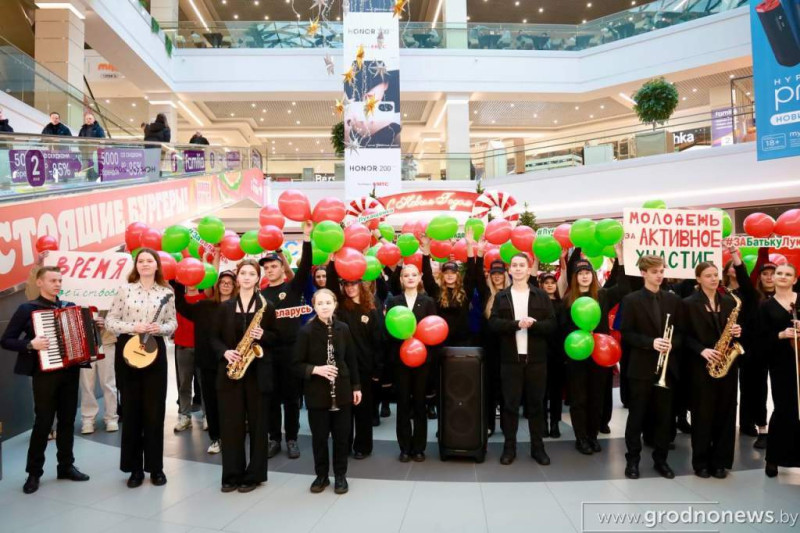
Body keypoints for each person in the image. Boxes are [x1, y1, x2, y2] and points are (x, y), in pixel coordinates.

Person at [1, 266, 93, 494]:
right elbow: (7, 340)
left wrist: (93, 327)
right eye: (52, 280)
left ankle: (66, 466)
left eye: (60, 280)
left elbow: (83, 336)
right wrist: (31, 344)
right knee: (43, 423)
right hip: (44, 374)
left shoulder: (69, 307)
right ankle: (34, 473)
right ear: (39, 283)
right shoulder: (27, 309)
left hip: (70, 371)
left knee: (67, 421)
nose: (57, 284)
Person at [106, 249, 177, 488]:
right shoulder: (124, 290)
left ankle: (156, 468)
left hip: (155, 351)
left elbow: (173, 323)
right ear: (136, 266)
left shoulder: (167, 292)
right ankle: (134, 469)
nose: (145, 264)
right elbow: (110, 321)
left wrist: (161, 329)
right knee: (132, 410)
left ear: (157, 265)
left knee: (155, 412)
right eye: (141, 261)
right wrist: (133, 326)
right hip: (128, 350)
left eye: (150, 261)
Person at [212, 259, 277, 492]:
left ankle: (254, 475)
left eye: (252, 273)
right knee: (231, 426)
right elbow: (213, 338)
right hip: (232, 372)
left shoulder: (266, 306)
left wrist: (264, 335)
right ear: (237, 278)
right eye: (243, 273)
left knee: (259, 426)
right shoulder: (224, 307)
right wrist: (225, 352)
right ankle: (231, 474)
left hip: (257, 372)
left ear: (258, 278)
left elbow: (277, 337)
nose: (247, 277)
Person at [559, 243, 628, 456]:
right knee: (579, 400)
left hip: (600, 355)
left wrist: (620, 257)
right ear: (575, 277)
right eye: (580, 273)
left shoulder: (604, 296)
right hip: (577, 356)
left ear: (593, 275)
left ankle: (592, 436)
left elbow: (624, 289)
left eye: (588, 272)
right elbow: (562, 328)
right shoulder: (568, 301)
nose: (585, 276)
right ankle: (581, 439)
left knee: (597, 398)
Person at [620, 255, 683, 480]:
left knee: (665, 418)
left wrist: (671, 344)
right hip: (641, 367)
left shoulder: (673, 300)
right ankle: (633, 461)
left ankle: (661, 460)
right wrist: (651, 343)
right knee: (637, 416)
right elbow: (626, 333)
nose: (659, 275)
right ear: (644, 273)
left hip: (667, 367)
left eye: (661, 271)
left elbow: (681, 333)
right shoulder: (631, 300)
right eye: (655, 271)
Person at [490, 253, 556, 466]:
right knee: (509, 406)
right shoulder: (502, 296)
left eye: (522, 265)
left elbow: (552, 325)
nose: (518, 269)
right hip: (510, 361)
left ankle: (538, 448)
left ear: (529, 270)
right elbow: (493, 324)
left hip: (536, 361)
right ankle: (509, 448)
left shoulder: (541, 296)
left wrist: (534, 325)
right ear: (510, 270)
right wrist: (516, 324)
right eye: (515, 265)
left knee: (536, 406)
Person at [294, 289, 362, 494]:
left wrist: (356, 387)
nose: (324, 306)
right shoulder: (306, 331)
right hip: (317, 392)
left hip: (341, 390)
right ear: (314, 306)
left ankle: (340, 476)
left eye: (328, 302)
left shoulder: (343, 328)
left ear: (334, 304)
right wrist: (317, 369)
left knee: (342, 437)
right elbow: (295, 364)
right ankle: (321, 476)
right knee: (319, 437)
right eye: (320, 303)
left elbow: (351, 359)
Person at [682, 261, 742, 479]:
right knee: (703, 414)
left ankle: (720, 461)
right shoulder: (688, 303)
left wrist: (736, 330)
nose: (714, 278)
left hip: (727, 364)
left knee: (726, 413)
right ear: (698, 279)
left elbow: (732, 331)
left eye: (716, 275)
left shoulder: (728, 301)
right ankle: (701, 462)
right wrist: (702, 351)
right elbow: (682, 336)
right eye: (708, 275)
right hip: (701, 366)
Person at [261, 221, 313, 459]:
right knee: (271, 398)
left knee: (292, 399)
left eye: (274, 266)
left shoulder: (292, 289)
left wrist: (307, 237)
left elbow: (306, 268)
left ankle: (291, 438)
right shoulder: (260, 296)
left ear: (282, 268)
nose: (270, 270)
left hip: (291, 352)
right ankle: (274, 438)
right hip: (268, 353)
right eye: (267, 267)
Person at [325, 260, 384, 459]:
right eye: (346, 284)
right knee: (344, 410)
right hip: (343, 367)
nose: (350, 288)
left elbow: (378, 341)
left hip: (365, 368)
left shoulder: (372, 309)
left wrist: (377, 370)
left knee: (364, 410)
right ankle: (346, 443)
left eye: (353, 284)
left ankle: (363, 446)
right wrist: (333, 260)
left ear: (361, 284)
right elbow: (331, 284)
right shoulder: (340, 307)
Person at [175, 270, 238, 454]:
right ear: (216, 285)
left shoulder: (241, 307)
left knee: (232, 402)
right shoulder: (204, 306)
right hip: (209, 363)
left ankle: (233, 437)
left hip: (234, 363)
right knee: (210, 401)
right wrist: (179, 281)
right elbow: (182, 306)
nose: (225, 284)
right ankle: (216, 438)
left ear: (235, 286)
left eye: (230, 282)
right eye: (222, 281)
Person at [419, 231, 480, 419]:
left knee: (460, 379)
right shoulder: (437, 293)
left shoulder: (466, 291)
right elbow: (427, 277)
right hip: (441, 344)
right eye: (447, 273)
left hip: (462, 343)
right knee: (440, 379)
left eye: (453, 272)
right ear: (443, 275)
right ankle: (437, 409)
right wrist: (426, 251)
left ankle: (459, 413)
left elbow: (472, 272)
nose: (450, 275)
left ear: (457, 275)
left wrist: (470, 246)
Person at [387, 264, 437, 462]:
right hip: (401, 360)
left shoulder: (428, 301)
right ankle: (404, 448)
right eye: (406, 275)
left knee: (419, 403)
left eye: (413, 274)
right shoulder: (394, 302)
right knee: (403, 404)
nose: (409, 278)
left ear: (420, 277)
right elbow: (389, 331)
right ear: (400, 279)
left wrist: (428, 359)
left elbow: (433, 330)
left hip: (422, 360)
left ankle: (419, 448)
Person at [723, 250, 770, 449]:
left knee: (754, 387)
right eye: (731, 266)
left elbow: (744, 276)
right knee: (729, 386)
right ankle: (730, 423)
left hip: (752, 348)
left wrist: (736, 257)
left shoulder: (750, 293)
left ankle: (756, 425)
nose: (734, 269)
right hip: (729, 344)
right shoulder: (721, 291)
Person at [758, 264, 800, 477]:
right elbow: (760, 339)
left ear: (794, 279)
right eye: (779, 273)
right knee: (784, 408)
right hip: (781, 363)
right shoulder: (765, 306)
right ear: (773, 278)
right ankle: (774, 458)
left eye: (788, 274)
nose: (783, 277)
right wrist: (781, 335)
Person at [476, 256, 511, 437]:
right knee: (488, 388)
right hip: (488, 348)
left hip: (507, 348)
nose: (497, 277)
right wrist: (477, 253)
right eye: (493, 274)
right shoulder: (485, 293)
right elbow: (474, 276)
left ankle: (507, 426)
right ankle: (489, 424)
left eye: (500, 273)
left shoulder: (512, 293)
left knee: (506, 388)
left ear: (505, 275)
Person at [79, 317, 118, 434]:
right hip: (84, 343)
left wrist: (106, 322)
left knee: (108, 382)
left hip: (106, 341)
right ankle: (88, 420)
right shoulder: (73, 298)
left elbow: (120, 317)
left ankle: (111, 418)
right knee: (86, 384)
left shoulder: (111, 299)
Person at [540, 271, 565, 438]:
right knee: (541, 391)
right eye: (546, 282)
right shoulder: (537, 303)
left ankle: (555, 423)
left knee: (556, 391)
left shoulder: (562, 304)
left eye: (552, 282)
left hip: (557, 352)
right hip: (541, 352)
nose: (550, 285)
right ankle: (542, 424)